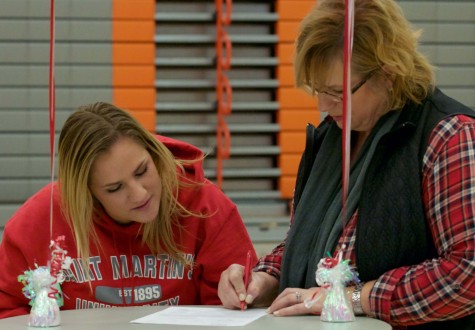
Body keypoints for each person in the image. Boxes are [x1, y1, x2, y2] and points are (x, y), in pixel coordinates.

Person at [218, 0, 475, 329]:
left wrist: (356, 298)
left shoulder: (449, 138)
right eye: (318, 90)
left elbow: (466, 272)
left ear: (388, 73)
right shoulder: (335, 135)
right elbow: (319, 244)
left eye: (338, 91)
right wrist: (265, 279)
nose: (324, 105)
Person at [0, 102, 258, 319]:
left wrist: (242, 293)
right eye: (114, 188)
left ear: (153, 152)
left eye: (142, 171)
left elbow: (239, 312)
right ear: (87, 194)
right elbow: (8, 309)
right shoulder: (39, 222)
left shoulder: (205, 207)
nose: (140, 194)